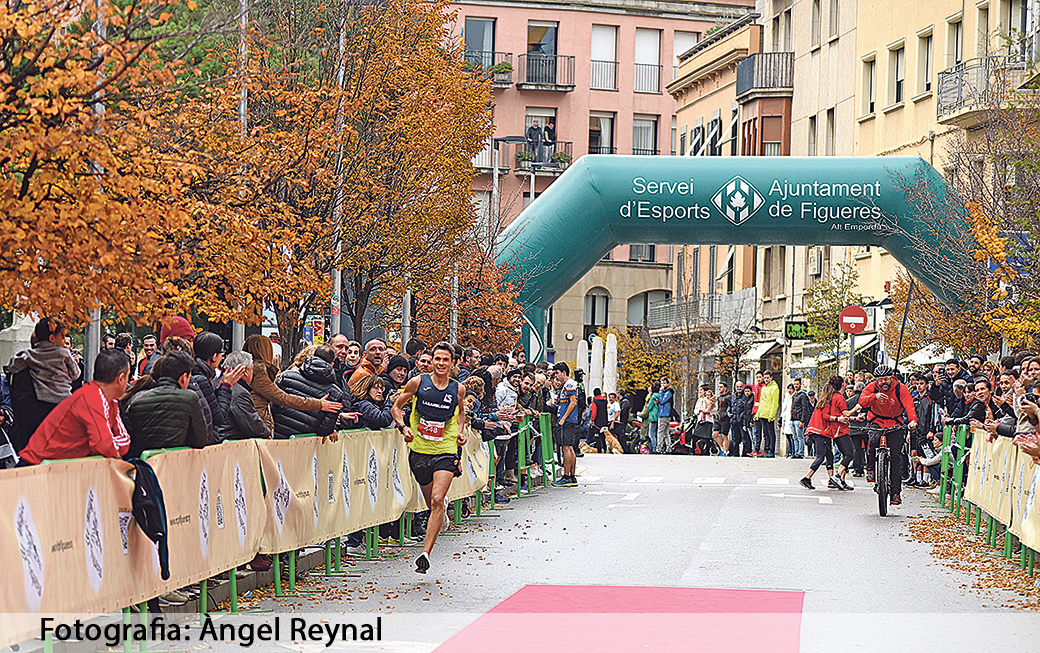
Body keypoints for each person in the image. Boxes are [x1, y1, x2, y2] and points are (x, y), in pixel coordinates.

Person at [391, 342, 466, 574]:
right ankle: (439, 515)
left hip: (445, 450)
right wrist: (403, 427)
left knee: (436, 499)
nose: (441, 363)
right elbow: (396, 407)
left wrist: (461, 432)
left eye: (446, 360)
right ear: (431, 361)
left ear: (452, 363)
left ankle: (425, 554)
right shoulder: (418, 383)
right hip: (420, 450)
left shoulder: (458, 389)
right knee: (430, 501)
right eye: (437, 359)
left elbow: (461, 413)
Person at [18, 349, 131, 464]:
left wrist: (112, 448)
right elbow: (104, 444)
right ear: (121, 378)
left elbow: (122, 440)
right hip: (36, 465)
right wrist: (113, 449)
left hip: (56, 466)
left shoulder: (109, 401)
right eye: (127, 376)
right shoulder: (92, 397)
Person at [8, 317, 82, 451]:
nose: (64, 340)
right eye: (62, 336)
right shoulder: (64, 354)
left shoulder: (31, 355)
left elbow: (14, 365)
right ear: (52, 338)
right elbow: (76, 374)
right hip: (64, 401)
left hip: (41, 399)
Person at [243, 334, 342, 433]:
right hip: (257, 428)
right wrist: (318, 404)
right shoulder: (258, 374)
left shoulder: (282, 375)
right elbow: (282, 398)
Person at [121, 351, 208, 458]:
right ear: (184, 377)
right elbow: (200, 441)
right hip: (178, 464)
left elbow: (129, 444)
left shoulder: (136, 401)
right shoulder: (190, 398)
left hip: (146, 467)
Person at [860, 365, 918, 506]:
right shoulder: (872, 387)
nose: (883, 382)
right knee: (873, 441)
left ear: (891, 377)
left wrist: (912, 420)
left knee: (896, 457)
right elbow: (862, 401)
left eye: (886, 379)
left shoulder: (900, 388)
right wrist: (874, 397)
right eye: (880, 380)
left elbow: (909, 405)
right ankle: (871, 469)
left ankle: (895, 493)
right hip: (876, 420)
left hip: (894, 421)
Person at [273, 345, 351, 439]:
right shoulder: (335, 393)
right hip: (305, 443)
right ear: (332, 364)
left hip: (277, 437)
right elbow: (324, 430)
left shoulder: (287, 376)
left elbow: (272, 404)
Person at [800, 375, 854, 491]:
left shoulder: (826, 397)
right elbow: (825, 416)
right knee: (820, 456)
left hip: (821, 431)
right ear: (842, 385)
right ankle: (807, 478)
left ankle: (831, 480)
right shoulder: (831, 398)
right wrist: (838, 419)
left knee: (829, 455)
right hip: (821, 431)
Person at [192, 332, 248, 440]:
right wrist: (226, 386)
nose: (222, 358)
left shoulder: (197, 374)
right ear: (214, 356)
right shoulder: (202, 379)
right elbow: (218, 417)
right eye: (221, 353)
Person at [216, 351, 271, 440]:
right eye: (252, 369)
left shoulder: (212, 384)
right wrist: (267, 433)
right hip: (229, 444)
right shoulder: (239, 393)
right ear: (244, 371)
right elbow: (253, 425)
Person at [549, 362, 580, 486]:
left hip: (566, 420)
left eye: (557, 373)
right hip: (568, 420)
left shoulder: (570, 384)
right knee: (569, 447)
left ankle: (567, 476)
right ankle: (571, 476)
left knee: (566, 447)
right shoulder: (566, 385)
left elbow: (573, 402)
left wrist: (563, 418)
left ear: (564, 372)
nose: (556, 376)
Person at [756, 370, 780, 457]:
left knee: (771, 433)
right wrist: (757, 414)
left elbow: (775, 403)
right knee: (765, 434)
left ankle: (771, 451)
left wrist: (772, 415)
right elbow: (761, 402)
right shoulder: (763, 388)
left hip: (769, 414)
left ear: (771, 378)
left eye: (767, 378)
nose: (766, 379)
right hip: (762, 413)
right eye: (765, 378)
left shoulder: (774, 388)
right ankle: (766, 450)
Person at [791, 378, 811, 460]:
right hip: (793, 419)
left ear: (800, 385)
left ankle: (800, 453)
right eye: (795, 384)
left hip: (799, 419)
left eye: (797, 384)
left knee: (800, 437)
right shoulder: (794, 395)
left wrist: (803, 420)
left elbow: (804, 408)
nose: (796, 385)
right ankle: (796, 452)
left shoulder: (802, 395)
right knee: (795, 437)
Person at [657, 378, 674, 454]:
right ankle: (668, 447)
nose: (662, 385)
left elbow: (662, 400)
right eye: (662, 383)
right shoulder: (667, 392)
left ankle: (659, 448)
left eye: (664, 383)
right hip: (665, 413)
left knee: (660, 432)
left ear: (668, 384)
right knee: (666, 432)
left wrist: (660, 391)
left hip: (664, 414)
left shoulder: (669, 392)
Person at [781, 383, 795, 457]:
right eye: (788, 388)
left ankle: (793, 451)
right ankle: (790, 451)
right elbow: (784, 408)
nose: (790, 390)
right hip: (785, 418)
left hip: (791, 418)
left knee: (792, 436)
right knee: (787, 436)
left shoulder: (794, 397)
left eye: (791, 389)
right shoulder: (786, 397)